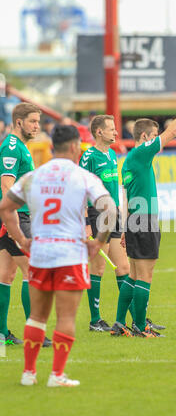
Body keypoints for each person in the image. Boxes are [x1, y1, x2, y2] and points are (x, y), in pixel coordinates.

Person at [0, 125, 117, 387]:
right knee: (65, 318)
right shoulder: (82, 177)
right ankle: (56, 375)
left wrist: (20, 238)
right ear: (75, 147)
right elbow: (109, 209)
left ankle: (28, 374)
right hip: (71, 255)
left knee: (36, 317)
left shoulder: (34, 176)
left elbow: (6, 207)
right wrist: (99, 242)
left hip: (40, 253)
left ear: (52, 147)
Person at [110, 94, 176, 338]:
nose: (156, 142)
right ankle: (140, 326)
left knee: (134, 274)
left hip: (133, 221)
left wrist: (126, 229)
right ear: (145, 137)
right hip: (145, 221)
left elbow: (126, 198)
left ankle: (120, 323)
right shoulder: (140, 153)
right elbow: (170, 134)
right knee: (145, 276)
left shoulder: (128, 161)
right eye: (153, 136)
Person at [0, 102, 51, 347]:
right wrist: (11, 222)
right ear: (18, 122)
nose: (37, 126)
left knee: (6, 274)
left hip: (17, 215)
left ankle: (1, 333)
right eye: (33, 121)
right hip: (14, 217)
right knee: (34, 271)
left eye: (38, 122)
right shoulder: (12, 147)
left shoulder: (21, 147)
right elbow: (6, 185)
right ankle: (37, 334)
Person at [79, 114, 131, 332]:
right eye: (111, 129)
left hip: (114, 215)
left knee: (124, 267)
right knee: (99, 267)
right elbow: (80, 189)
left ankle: (132, 317)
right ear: (99, 132)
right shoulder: (88, 156)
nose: (116, 133)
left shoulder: (111, 155)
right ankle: (95, 320)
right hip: (97, 215)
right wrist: (86, 222)